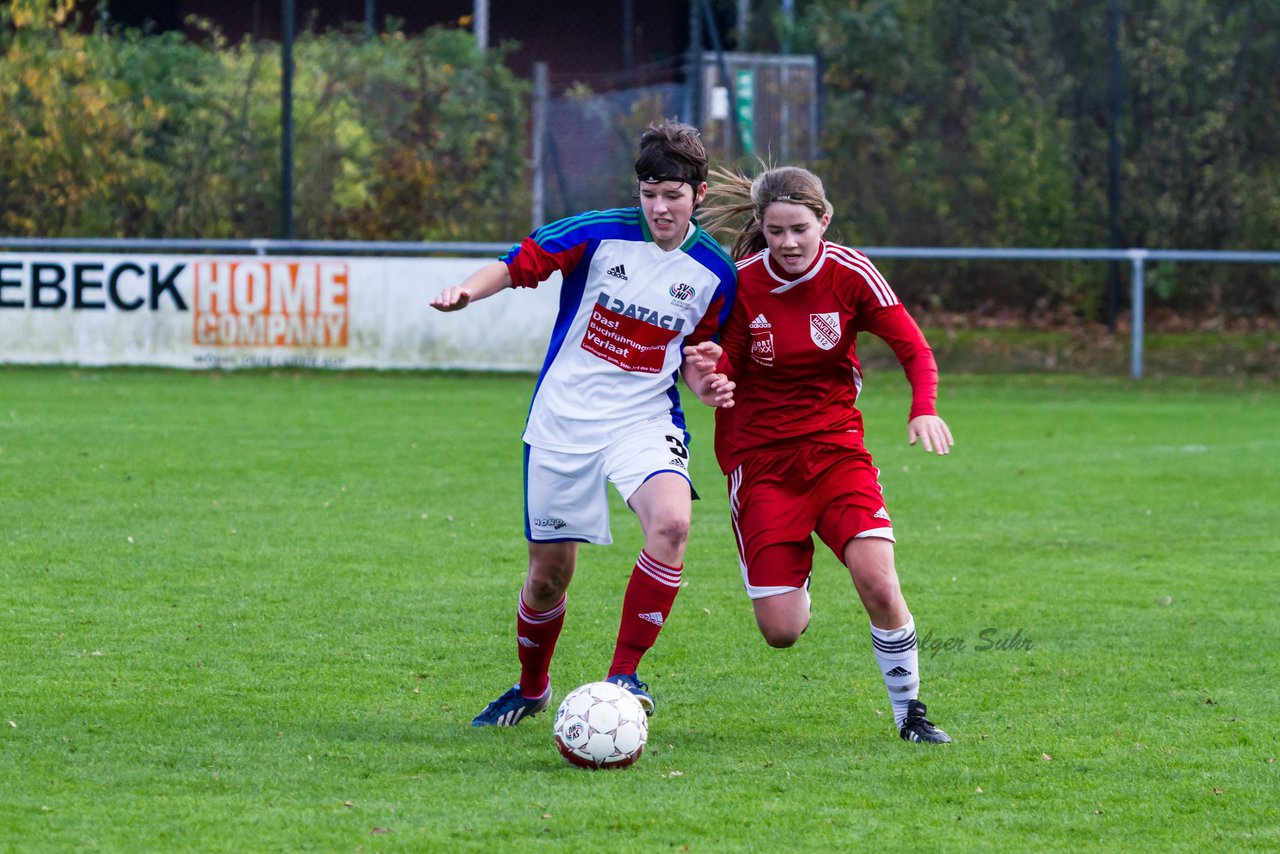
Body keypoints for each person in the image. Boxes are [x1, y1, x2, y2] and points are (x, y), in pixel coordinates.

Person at [431, 122, 737, 727]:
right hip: (564, 421)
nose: (659, 207)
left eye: (673, 195)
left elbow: (698, 360)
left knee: (673, 523)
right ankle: (531, 687)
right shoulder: (597, 233)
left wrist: (709, 383)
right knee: (548, 577)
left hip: (644, 418)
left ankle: (624, 675)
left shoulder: (716, 273)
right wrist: (467, 292)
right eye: (649, 193)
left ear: (698, 195)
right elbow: (520, 262)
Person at [686, 165, 954, 743]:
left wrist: (924, 406)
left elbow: (914, 347)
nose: (787, 243)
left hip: (835, 451)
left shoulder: (851, 273)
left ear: (824, 222)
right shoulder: (739, 283)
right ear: (761, 226)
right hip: (760, 463)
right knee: (782, 630)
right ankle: (792, 572)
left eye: (800, 230)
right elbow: (717, 364)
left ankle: (910, 714)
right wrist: (711, 384)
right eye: (776, 230)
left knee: (878, 582)